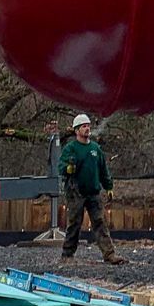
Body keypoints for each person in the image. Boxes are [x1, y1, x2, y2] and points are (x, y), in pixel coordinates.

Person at [57, 113, 126, 264]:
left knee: (100, 223)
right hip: (76, 192)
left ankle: (109, 254)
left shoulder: (95, 149)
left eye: (88, 125)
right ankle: (67, 255)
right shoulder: (71, 149)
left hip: (93, 192)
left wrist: (108, 186)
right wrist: (67, 168)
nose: (87, 128)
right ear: (76, 130)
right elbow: (61, 167)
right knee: (74, 224)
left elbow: (103, 170)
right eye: (83, 126)